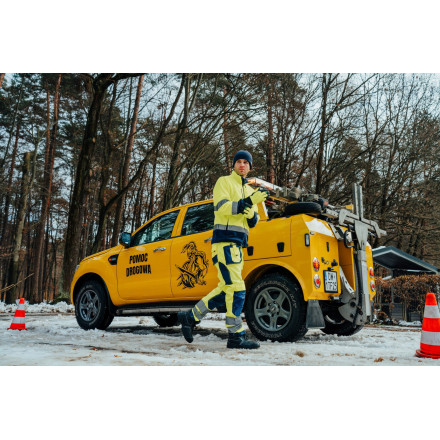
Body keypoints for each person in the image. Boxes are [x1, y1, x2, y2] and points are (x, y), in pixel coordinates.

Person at [178, 150, 269, 349]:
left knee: (226, 289)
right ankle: (235, 336)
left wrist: (251, 214)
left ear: (250, 167)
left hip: (238, 246)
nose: (242, 165)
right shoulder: (224, 182)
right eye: (239, 161)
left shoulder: (250, 191)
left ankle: (190, 317)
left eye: (246, 162)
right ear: (233, 165)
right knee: (237, 289)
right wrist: (247, 203)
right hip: (225, 243)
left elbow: (254, 221)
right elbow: (221, 207)